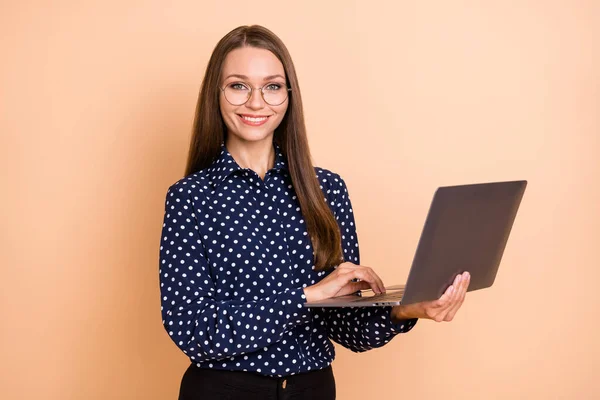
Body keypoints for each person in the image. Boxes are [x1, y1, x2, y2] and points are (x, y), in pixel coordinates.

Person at [158, 25, 470, 400]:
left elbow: (345, 324)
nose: (257, 102)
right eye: (238, 85)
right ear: (216, 94)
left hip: (313, 390)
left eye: (272, 86)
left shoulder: (327, 190)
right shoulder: (190, 198)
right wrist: (306, 296)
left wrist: (407, 310)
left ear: (289, 95)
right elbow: (195, 331)